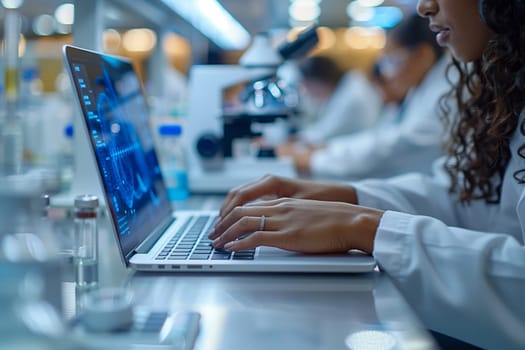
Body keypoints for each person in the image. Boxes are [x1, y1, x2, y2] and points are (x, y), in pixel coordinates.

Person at [208, 1, 525, 349]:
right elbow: (465, 195)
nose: (423, 6)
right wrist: (342, 197)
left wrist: (363, 227)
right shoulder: (505, 86)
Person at [278, 14, 451, 179]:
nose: (387, 74)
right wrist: (322, 150)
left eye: (391, 61)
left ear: (423, 55)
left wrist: (316, 158)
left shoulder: (444, 90)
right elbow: (383, 138)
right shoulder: (422, 88)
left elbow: (398, 146)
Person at [292, 55, 382, 145]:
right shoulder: (348, 84)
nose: (308, 93)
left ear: (319, 82)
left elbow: (324, 133)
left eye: (308, 87)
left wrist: (294, 139)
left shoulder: (351, 98)